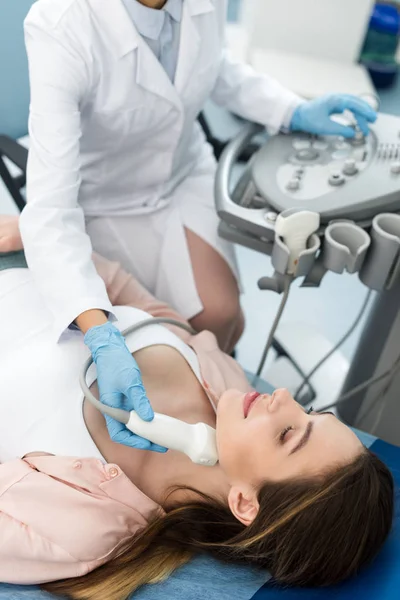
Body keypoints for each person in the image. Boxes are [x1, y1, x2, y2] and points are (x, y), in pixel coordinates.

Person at [18, 0, 379, 457]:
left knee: (222, 318)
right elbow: (50, 209)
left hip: (184, 173)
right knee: (181, 335)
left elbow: (217, 67)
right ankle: (213, 417)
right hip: (107, 200)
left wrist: (290, 109)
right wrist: (97, 330)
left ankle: (227, 418)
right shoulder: (63, 24)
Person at [0, 215, 394, 599]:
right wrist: (44, 240)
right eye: (308, 410)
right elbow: (151, 312)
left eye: (288, 433)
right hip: (27, 255)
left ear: (244, 503)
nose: (284, 397)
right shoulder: (227, 389)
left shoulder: (82, 527)